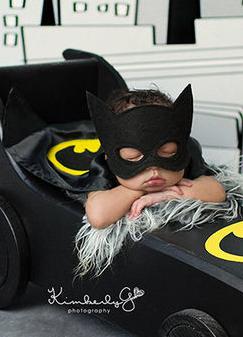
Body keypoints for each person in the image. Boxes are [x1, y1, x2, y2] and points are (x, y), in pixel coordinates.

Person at [84, 85, 226, 229]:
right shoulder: (103, 166)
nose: (154, 170)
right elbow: (98, 216)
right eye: (133, 157)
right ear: (110, 159)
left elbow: (217, 192)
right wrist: (137, 190)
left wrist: (165, 195)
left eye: (168, 152)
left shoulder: (188, 150)